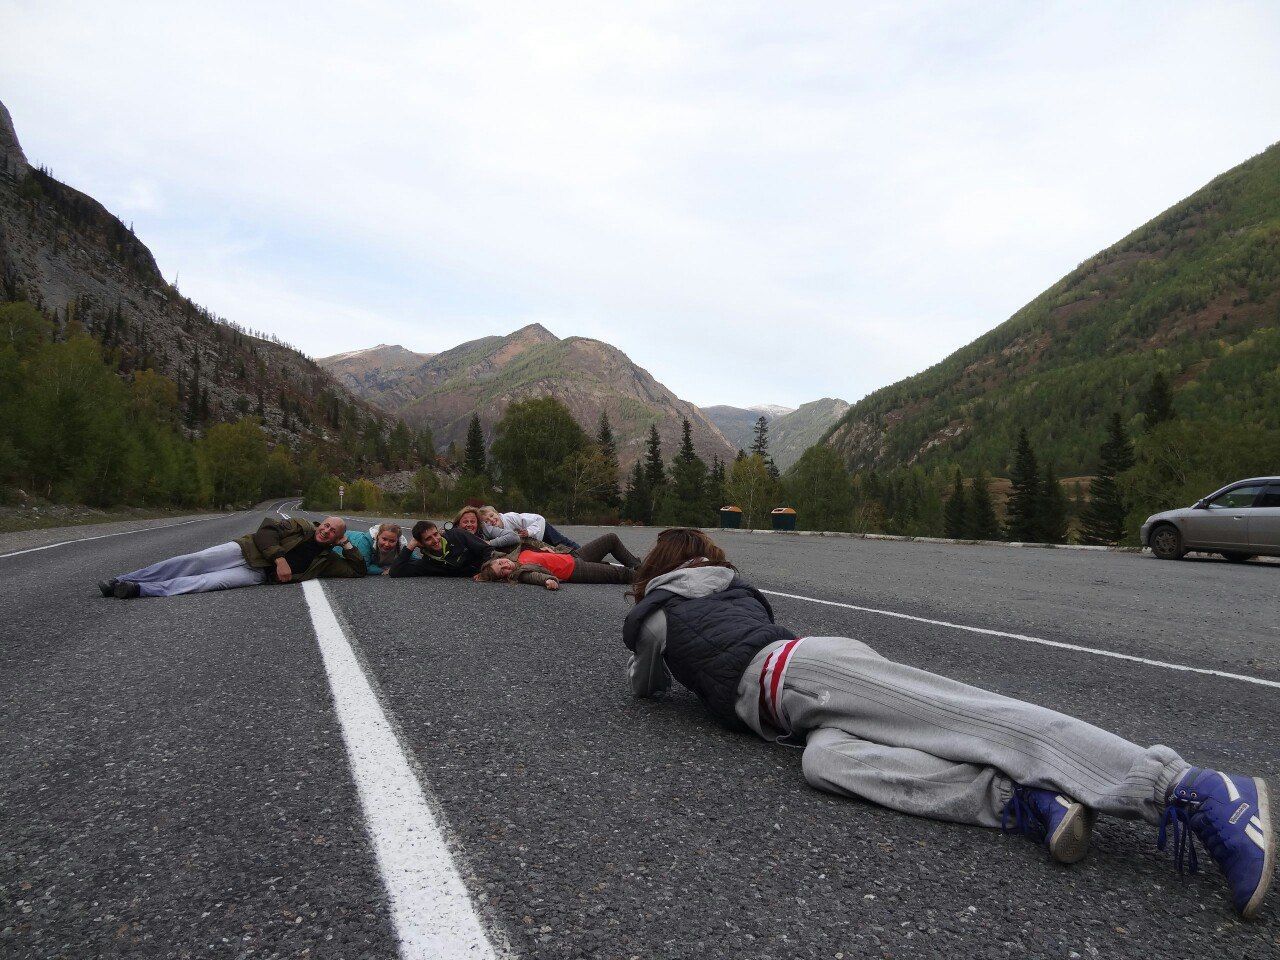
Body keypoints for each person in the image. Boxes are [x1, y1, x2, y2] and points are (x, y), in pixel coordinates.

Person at [621, 528, 1275, 920]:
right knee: (827, 766)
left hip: (807, 671)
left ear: (658, 567)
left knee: (979, 719)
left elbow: (648, 688)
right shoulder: (727, 585)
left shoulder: (657, 613)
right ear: (700, 556)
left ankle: (1194, 790)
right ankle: (1026, 799)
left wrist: (649, 633)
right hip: (796, 713)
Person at [101, 516, 365, 598]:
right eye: (326, 526)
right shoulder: (300, 526)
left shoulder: (327, 560)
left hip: (257, 575)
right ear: (320, 525)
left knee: (204, 583)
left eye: (334, 532)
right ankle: (121, 579)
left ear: (337, 537)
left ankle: (138, 589)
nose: (326, 531)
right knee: (191, 561)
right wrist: (280, 559)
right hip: (244, 550)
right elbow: (266, 531)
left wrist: (348, 546)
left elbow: (357, 571)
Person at [475, 533, 640, 589]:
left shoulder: (516, 552)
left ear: (499, 559)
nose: (504, 566)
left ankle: (639, 567)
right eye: (502, 572)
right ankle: (651, 577)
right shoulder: (521, 573)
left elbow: (484, 548)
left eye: (500, 564)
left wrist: (482, 575)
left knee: (610, 539)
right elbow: (534, 577)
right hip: (576, 571)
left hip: (574, 555)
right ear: (505, 577)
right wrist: (549, 580)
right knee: (622, 574)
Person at [389, 519, 493, 577]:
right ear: (421, 543)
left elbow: (487, 549)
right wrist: (410, 546)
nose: (435, 540)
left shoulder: (457, 535)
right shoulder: (426, 564)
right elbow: (395, 571)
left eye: (435, 534)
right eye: (428, 538)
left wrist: (484, 573)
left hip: (492, 565)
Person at [478, 505, 580, 551]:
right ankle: (574, 557)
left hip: (541, 526)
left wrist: (529, 531)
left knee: (561, 542)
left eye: (491, 515)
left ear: (497, 513)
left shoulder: (510, 518)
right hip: (534, 537)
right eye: (487, 520)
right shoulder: (495, 529)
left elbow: (535, 521)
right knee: (554, 549)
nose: (491, 520)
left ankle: (581, 551)